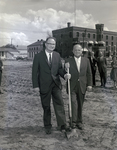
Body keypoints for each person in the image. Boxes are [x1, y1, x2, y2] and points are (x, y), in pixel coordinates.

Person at [32, 37, 69, 134]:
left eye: (53, 44)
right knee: (46, 106)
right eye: (50, 44)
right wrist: (35, 85)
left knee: (59, 104)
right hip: (44, 85)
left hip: (56, 84)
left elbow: (60, 69)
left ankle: (62, 125)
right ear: (45, 44)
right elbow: (34, 72)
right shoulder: (38, 56)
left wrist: (64, 74)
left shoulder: (57, 55)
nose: (52, 46)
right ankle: (47, 126)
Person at [64, 44, 92, 130]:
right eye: (75, 50)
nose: (77, 51)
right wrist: (66, 74)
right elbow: (64, 71)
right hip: (72, 86)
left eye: (79, 50)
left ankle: (79, 122)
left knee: (80, 104)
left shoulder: (86, 60)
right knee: (73, 103)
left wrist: (89, 84)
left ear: (81, 51)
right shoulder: (68, 61)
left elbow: (89, 73)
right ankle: (73, 122)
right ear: (72, 51)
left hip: (82, 86)